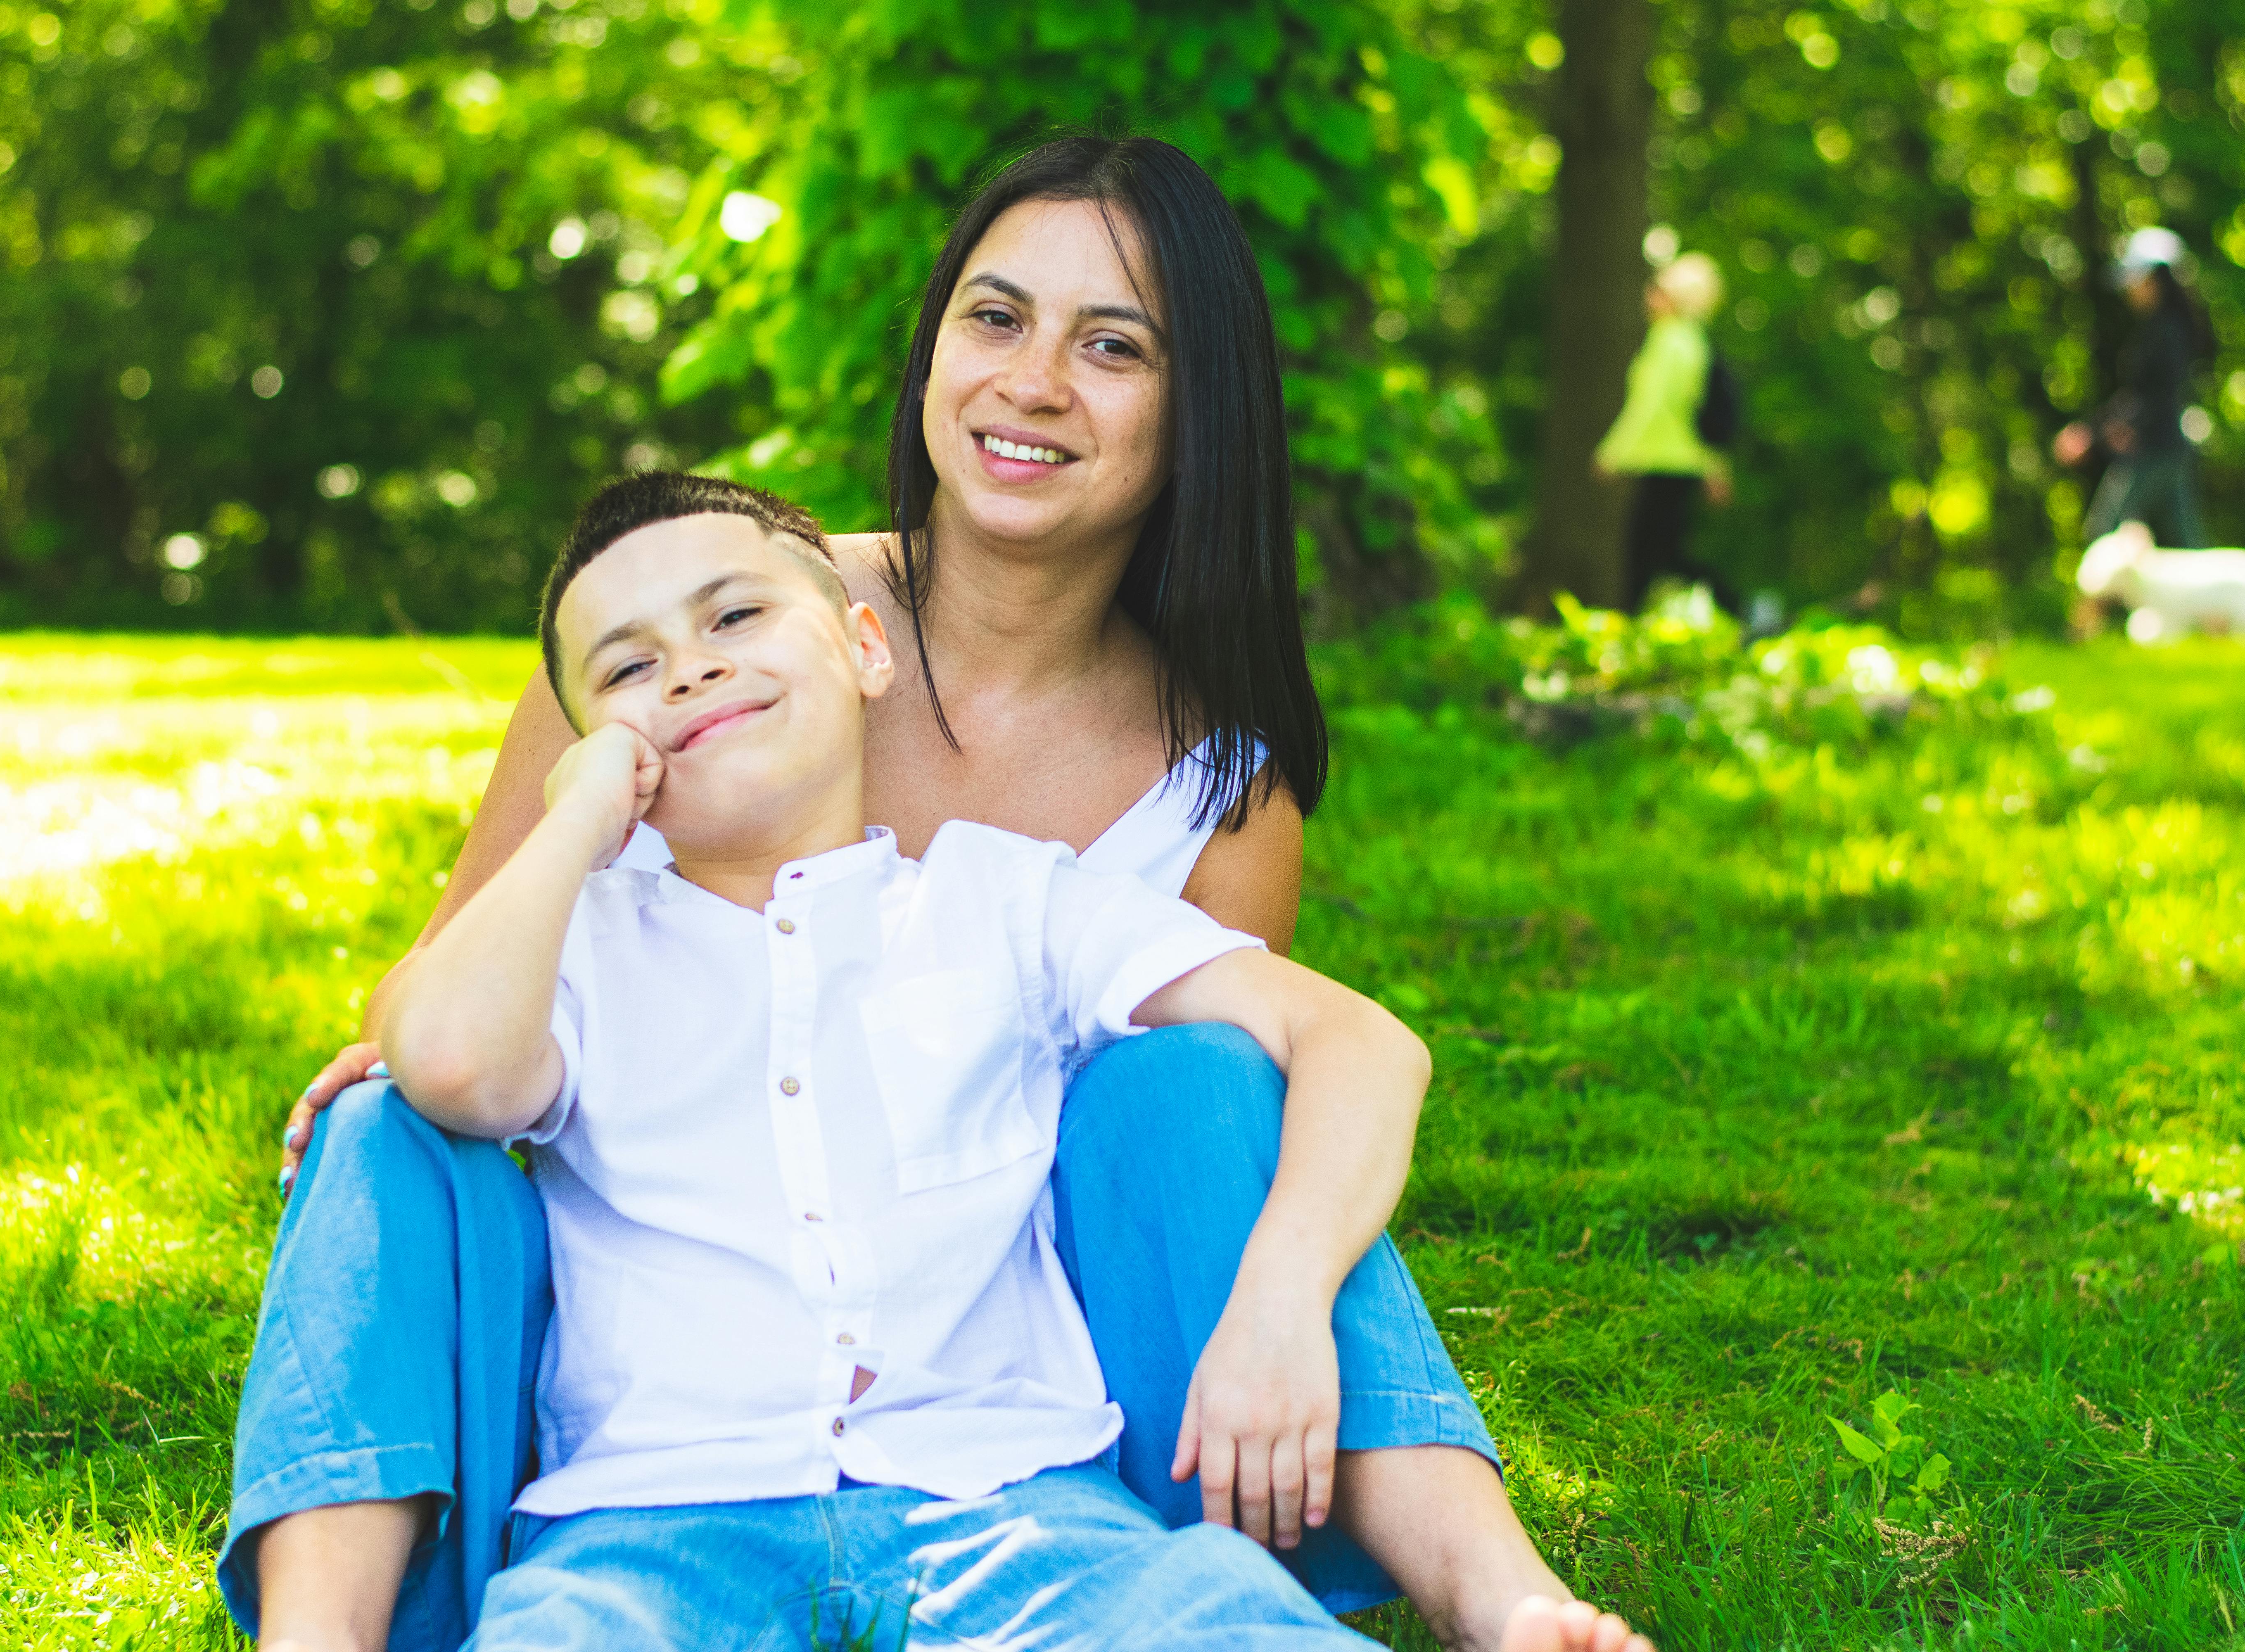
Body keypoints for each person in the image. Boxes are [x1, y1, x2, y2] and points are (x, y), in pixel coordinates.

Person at [240, 136, 1650, 1652]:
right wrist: (439, 1008)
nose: (1031, 380)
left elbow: (1216, 1148)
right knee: (393, 1122)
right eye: (995, 318)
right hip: (668, 1414)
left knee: (1200, 1084)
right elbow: (449, 1002)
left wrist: (1281, 1293)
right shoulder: (706, 617)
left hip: (1008, 1423)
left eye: (1111, 346)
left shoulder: (1192, 799)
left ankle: (1499, 1598)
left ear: (1198, 413)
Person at [346, 467, 1451, 1648]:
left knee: (1220, 1624)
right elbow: (451, 1061)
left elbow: (1361, 1041)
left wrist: (1280, 1297)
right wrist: (580, 818)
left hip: (1013, 1511)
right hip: (646, 1534)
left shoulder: (1005, 901)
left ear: (867, 650)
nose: (690, 669)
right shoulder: (577, 947)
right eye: (628, 669)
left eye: (735, 617)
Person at [1594, 252, 1737, 617]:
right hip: (1683, 463)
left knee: (1650, 553)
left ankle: (1734, 607)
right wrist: (1715, 466)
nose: (1648, 296)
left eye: (1657, 289)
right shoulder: (1695, 341)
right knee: (1663, 552)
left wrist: (1612, 454)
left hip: (1667, 463)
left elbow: (1651, 406)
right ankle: (1731, 607)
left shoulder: (1669, 341)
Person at [2053, 227, 2211, 550]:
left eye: (2135, 279)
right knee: (2184, 547)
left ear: (2156, 279)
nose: (2129, 290)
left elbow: (2152, 399)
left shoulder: (2167, 334)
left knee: (2104, 536)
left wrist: (2092, 434)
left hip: (2154, 450)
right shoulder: (2162, 330)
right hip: (2168, 448)